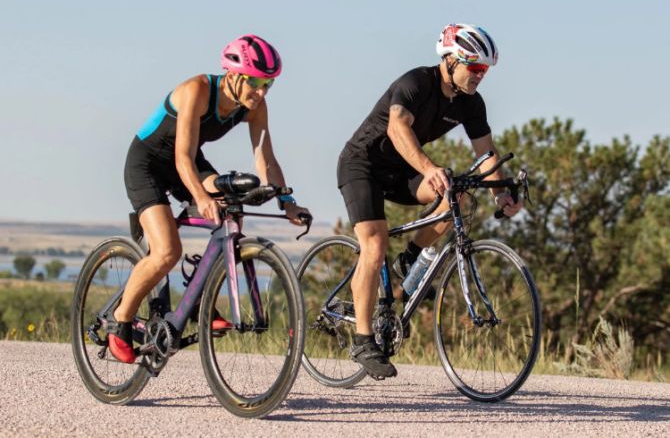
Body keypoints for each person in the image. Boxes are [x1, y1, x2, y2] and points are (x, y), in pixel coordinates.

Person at [337, 23, 523, 379]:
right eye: (475, 67)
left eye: (485, 70)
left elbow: (486, 154)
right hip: (362, 165)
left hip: (402, 172)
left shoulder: (471, 103)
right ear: (452, 60)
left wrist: (501, 192)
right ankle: (362, 341)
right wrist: (429, 167)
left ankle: (410, 257)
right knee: (374, 245)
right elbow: (397, 129)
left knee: (458, 193)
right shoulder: (416, 83)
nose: (481, 75)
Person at [109, 34, 310, 364]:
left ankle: (201, 288)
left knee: (234, 202)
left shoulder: (254, 106)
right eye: (256, 83)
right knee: (167, 251)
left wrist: (287, 201)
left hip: (186, 163)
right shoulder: (197, 90)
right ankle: (121, 322)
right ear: (233, 75)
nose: (261, 93)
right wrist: (201, 197)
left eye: (268, 85)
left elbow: (266, 158)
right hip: (149, 163)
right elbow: (182, 158)